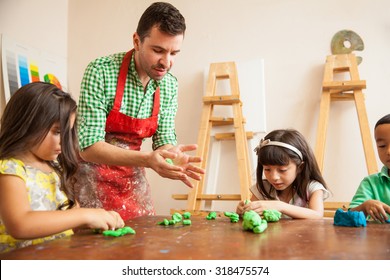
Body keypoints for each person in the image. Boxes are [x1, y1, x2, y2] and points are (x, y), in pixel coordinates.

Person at [75, 2, 204, 221]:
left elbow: (163, 140)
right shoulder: (101, 71)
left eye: (174, 53)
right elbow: (88, 147)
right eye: (158, 50)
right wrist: (147, 160)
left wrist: (173, 156)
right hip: (90, 182)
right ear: (137, 41)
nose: (167, 62)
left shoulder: (169, 85)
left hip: (132, 183)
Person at [0, 82, 124, 253]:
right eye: (57, 132)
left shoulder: (56, 168)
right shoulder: (9, 170)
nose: (64, 140)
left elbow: (72, 218)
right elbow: (20, 225)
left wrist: (99, 220)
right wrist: (85, 215)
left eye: (68, 132)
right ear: (27, 124)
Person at [236, 129, 330, 219]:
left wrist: (279, 206)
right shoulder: (263, 188)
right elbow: (251, 214)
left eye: (282, 170)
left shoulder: (312, 188)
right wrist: (243, 210)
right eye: (267, 169)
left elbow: (317, 215)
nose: (274, 177)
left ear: (300, 167)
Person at [349, 114, 390, 223]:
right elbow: (349, 216)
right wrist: (364, 207)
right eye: (382, 145)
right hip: (377, 239)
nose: (388, 151)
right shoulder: (370, 183)